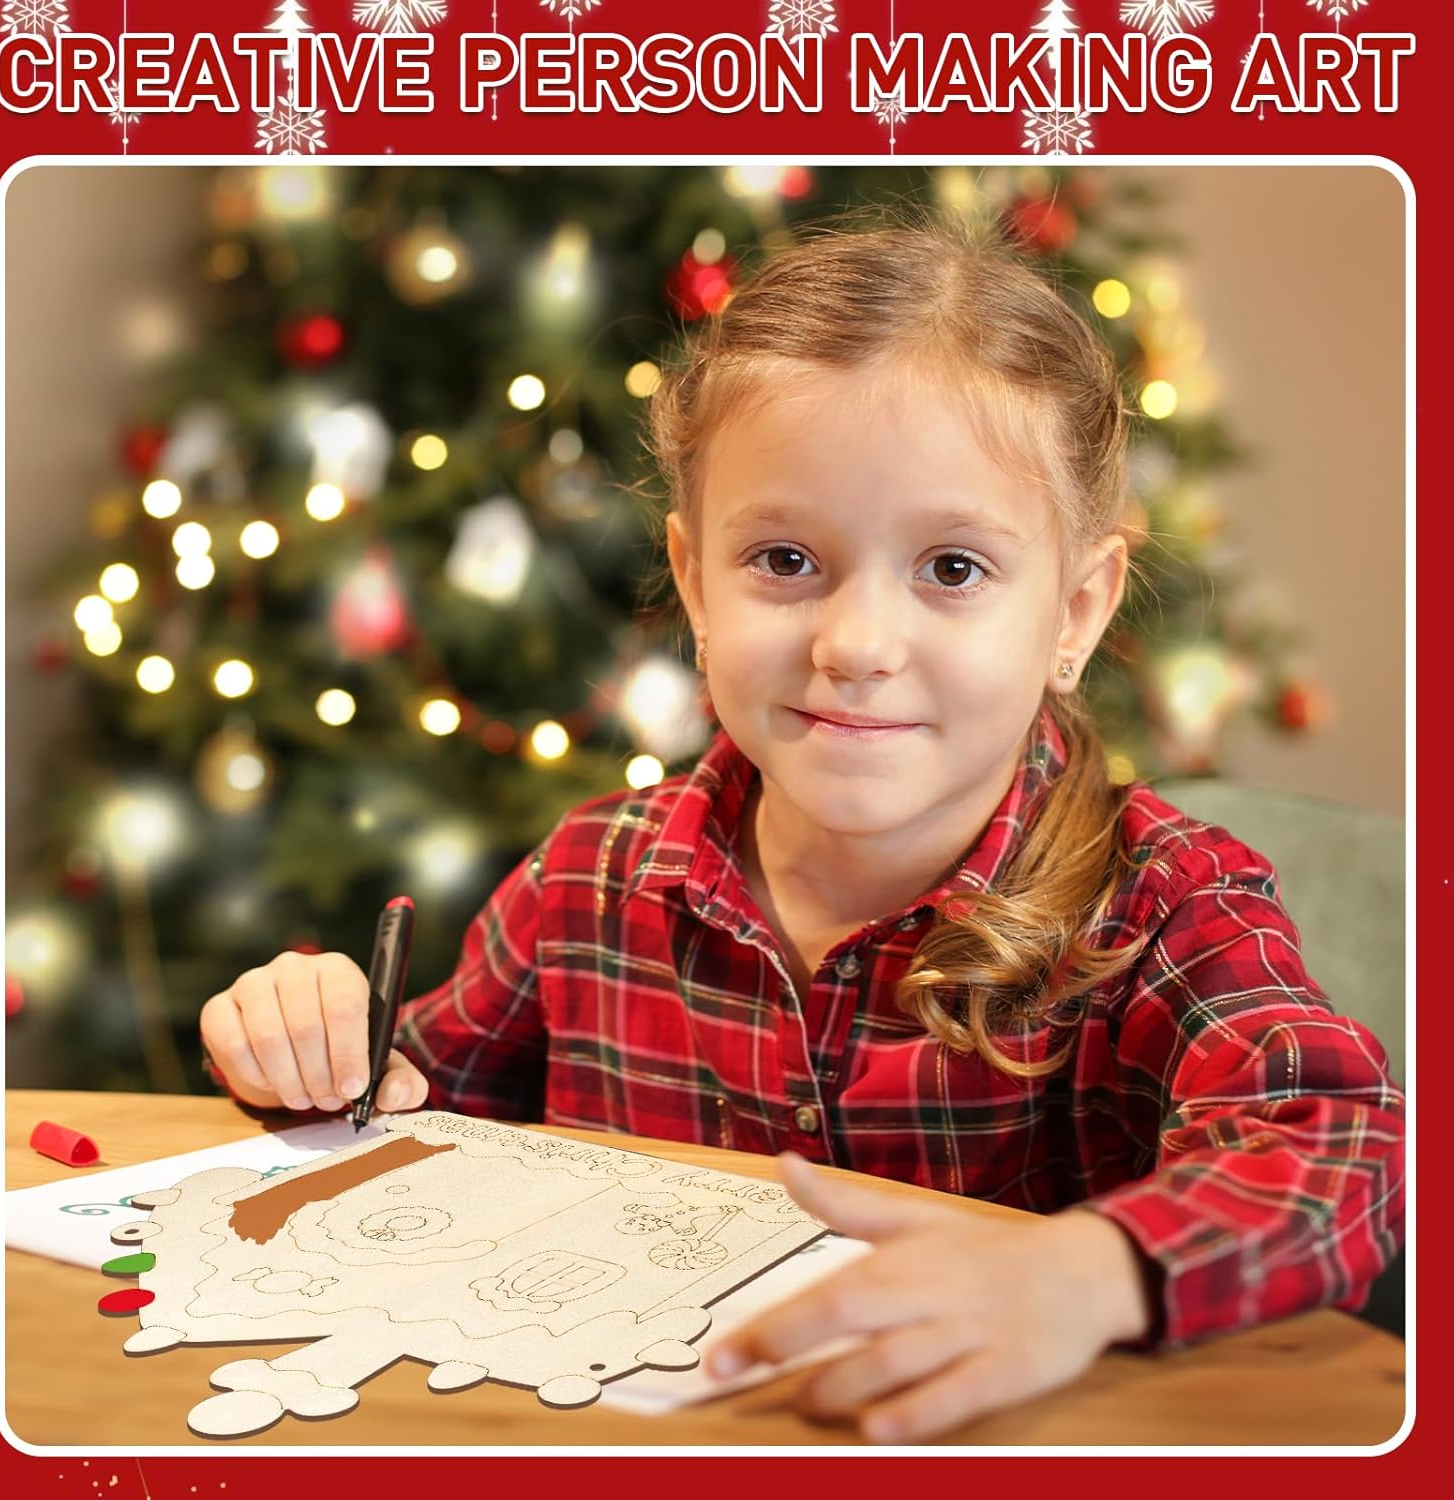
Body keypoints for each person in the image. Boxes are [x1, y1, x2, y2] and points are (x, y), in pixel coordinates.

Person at [200, 217, 1405, 1442]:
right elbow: (406, 1108)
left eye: (951, 569)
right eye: (784, 558)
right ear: (695, 586)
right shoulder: (592, 879)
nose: (857, 647)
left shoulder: (1163, 904)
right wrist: (318, 1048)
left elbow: (1347, 1154)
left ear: (1076, 611)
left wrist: (1088, 1275)